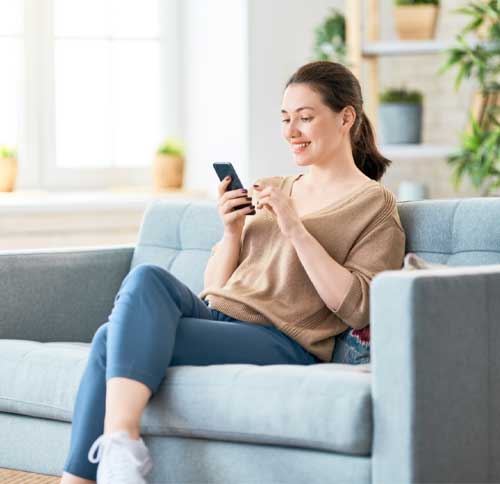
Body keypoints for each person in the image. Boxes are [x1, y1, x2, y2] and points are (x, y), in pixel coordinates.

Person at [60, 60, 406, 484]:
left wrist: (294, 226)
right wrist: (232, 230)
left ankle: (106, 462)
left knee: (110, 337)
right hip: (223, 318)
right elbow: (216, 290)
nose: (291, 131)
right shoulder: (276, 186)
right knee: (146, 278)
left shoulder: (375, 205)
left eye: (305, 118)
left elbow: (357, 307)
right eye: (285, 119)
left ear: (346, 117)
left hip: (283, 341)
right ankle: (120, 448)